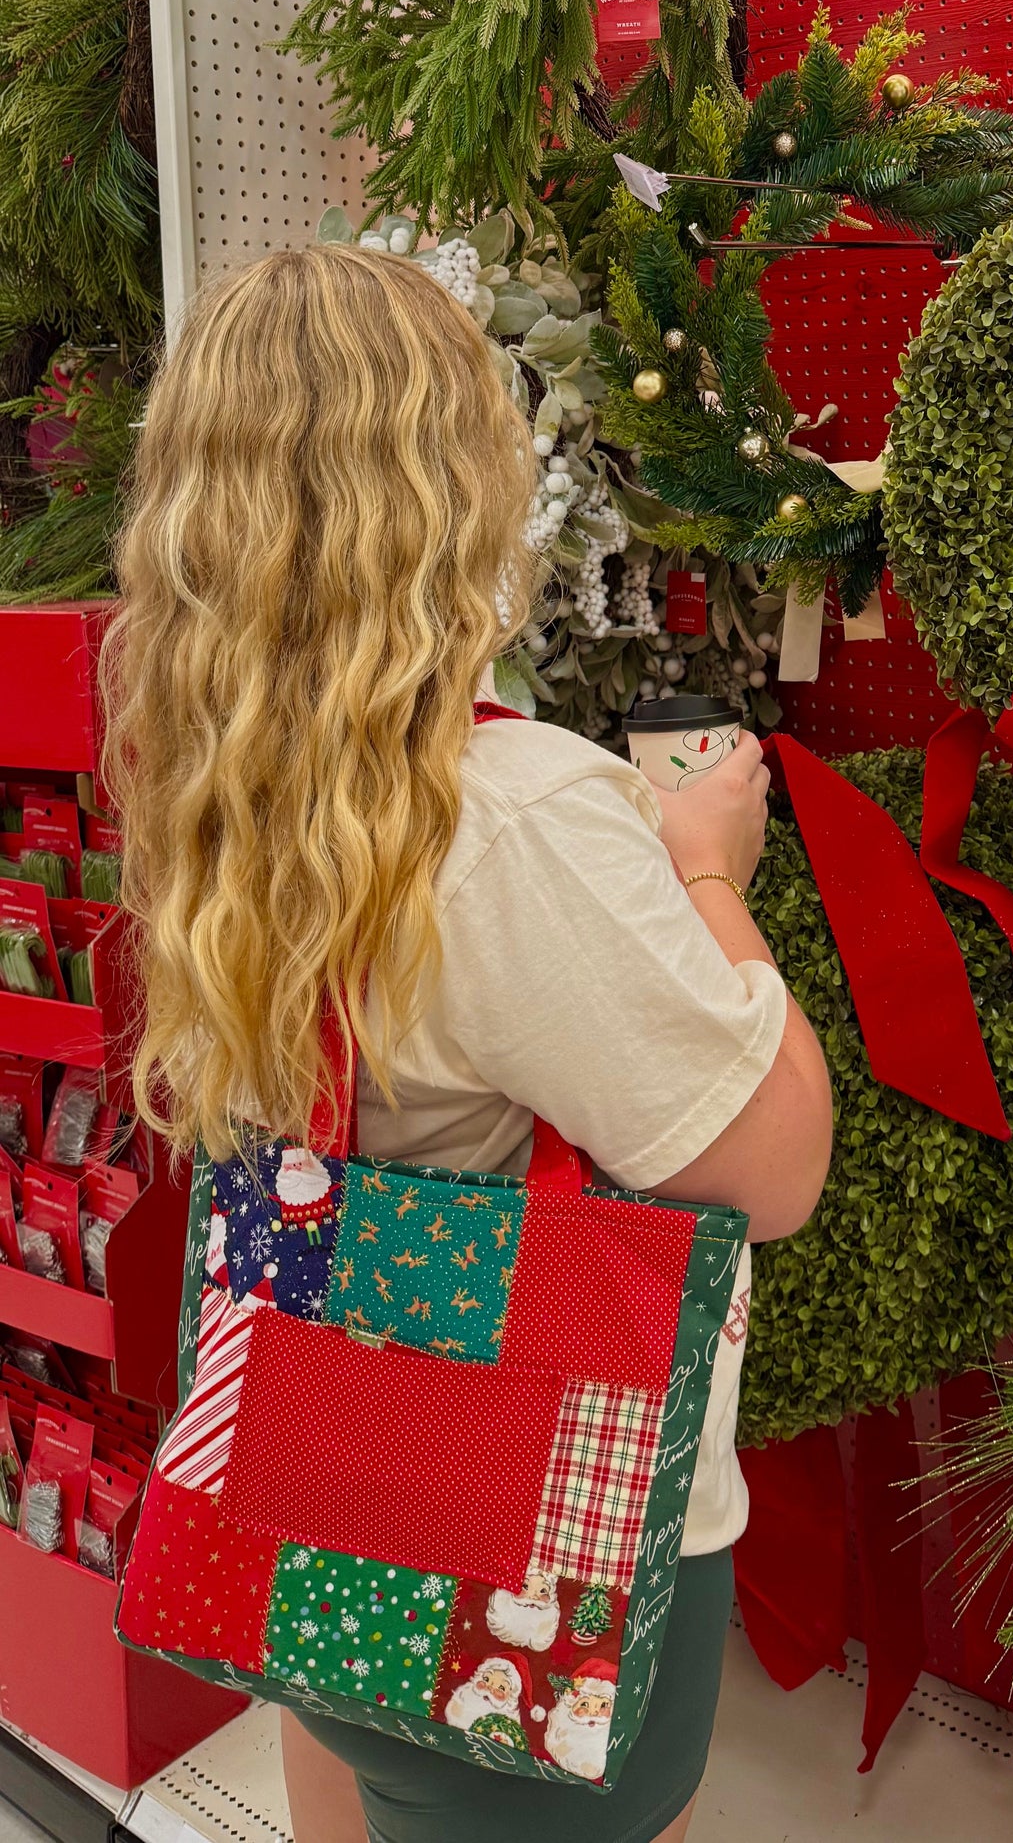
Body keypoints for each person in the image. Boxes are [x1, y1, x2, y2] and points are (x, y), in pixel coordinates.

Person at [101, 244, 833, 1843]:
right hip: (535, 1571)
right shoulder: (507, 816)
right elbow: (772, 1165)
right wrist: (702, 867)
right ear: (453, 490)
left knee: (350, 1802)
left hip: (309, 1491)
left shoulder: (204, 789)